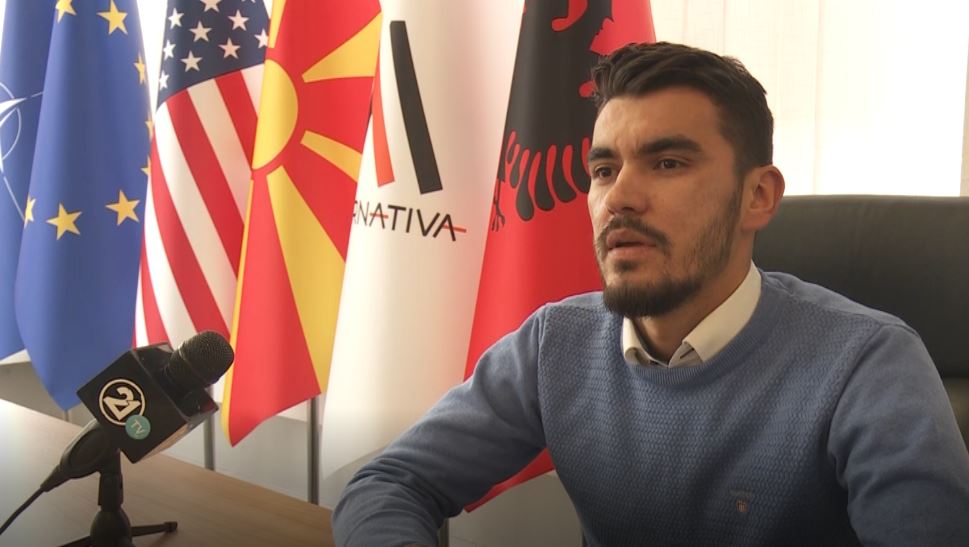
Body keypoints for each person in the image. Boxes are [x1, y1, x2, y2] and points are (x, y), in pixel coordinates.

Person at [332, 42, 969, 546]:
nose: (619, 198)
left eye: (667, 163)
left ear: (758, 196)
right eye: (604, 170)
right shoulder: (556, 342)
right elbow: (392, 482)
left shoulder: (869, 363)